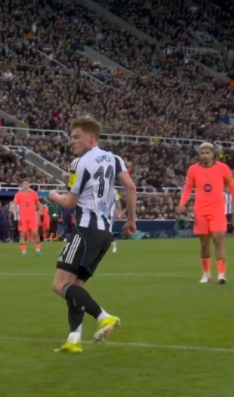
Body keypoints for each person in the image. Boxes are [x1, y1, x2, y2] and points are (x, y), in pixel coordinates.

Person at [48, 116, 137, 354]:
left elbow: (69, 202)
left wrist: (53, 196)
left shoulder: (79, 163)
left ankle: (103, 316)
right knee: (75, 287)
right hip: (105, 234)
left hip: (86, 230)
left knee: (59, 284)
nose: (72, 141)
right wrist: (131, 220)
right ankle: (74, 339)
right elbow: (130, 187)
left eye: (76, 137)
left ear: (91, 138)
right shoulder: (115, 159)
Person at [177, 142, 234, 285]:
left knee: (218, 239)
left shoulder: (222, 168)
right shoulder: (193, 169)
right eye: (202, 153)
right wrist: (182, 203)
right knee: (204, 243)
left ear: (213, 154)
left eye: (207, 153)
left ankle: (221, 275)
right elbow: (188, 188)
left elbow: (233, 188)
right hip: (201, 210)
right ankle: (206, 274)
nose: (205, 155)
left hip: (217, 209)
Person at [13, 181, 41, 256]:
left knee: (35, 233)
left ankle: (38, 250)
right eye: (24, 184)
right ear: (22, 185)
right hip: (23, 217)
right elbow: (15, 203)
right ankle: (23, 252)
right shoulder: (18, 194)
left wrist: (39, 212)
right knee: (22, 234)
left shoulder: (33, 193)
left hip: (32, 217)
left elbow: (38, 203)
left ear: (29, 185)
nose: (25, 185)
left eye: (27, 184)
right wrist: (14, 210)